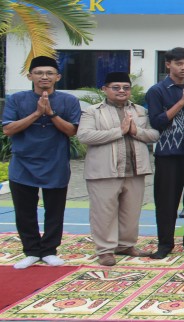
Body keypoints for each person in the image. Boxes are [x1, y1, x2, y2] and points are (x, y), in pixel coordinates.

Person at [2, 56, 81, 269]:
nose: (44, 77)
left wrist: (51, 114)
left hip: (55, 161)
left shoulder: (68, 101)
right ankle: (31, 251)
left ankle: (49, 251)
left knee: (55, 210)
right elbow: (8, 129)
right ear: (30, 76)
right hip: (23, 162)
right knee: (24, 211)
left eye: (49, 73)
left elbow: (72, 131)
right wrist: (37, 113)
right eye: (38, 73)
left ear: (58, 77)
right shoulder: (16, 99)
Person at [77, 72, 159, 266]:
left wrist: (136, 131)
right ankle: (105, 250)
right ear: (105, 89)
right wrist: (119, 131)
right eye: (116, 87)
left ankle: (126, 245)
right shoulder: (93, 111)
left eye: (126, 87)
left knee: (131, 213)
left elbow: (155, 134)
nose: (121, 91)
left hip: (135, 170)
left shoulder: (140, 111)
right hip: (104, 171)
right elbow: (84, 136)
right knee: (103, 213)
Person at [146, 47, 184, 259]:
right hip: (169, 154)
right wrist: (181, 102)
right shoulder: (157, 90)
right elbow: (157, 122)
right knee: (167, 201)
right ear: (168, 64)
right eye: (179, 63)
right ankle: (165, 243)